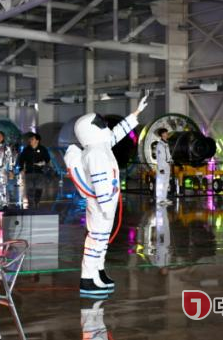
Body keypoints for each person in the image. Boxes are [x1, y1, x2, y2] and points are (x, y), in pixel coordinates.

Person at [65, 95, 149, 297]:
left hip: (106, 204)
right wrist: (106, 206)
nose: (105, 126)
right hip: (102, 205)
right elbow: (100, 181)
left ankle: (98, 272)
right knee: (96, 240)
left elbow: (116, 133)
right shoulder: (95, 153)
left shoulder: (100, 145)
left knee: (101, 241)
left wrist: (135, 114)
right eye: (100, 124)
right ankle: (88, 278)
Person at [17, 133, 51, 209]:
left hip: (39, 172)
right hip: (29, 172)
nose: (30, 140)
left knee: (39, 188)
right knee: (29, 189)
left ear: (37, 140)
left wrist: (42, 163)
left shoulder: (42, 149)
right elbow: (21, 159)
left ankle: (36, 203)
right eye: (30, 139)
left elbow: (47, 159)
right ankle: (31, 205)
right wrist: (21, 168)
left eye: (32, 139)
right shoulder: (26, 149)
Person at [154, 128, 172, 206]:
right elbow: (159, 157)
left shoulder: (166, 144)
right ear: (162, 134)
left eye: (167, 133)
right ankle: (159, 199)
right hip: (162, 166)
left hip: (167, 166)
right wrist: (161, 168)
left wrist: (170, 161)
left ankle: (164, 198)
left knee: (166, 183)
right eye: (166, 133)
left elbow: (168, 155)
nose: (167, 134)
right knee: (161, 183)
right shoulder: (160, 145)